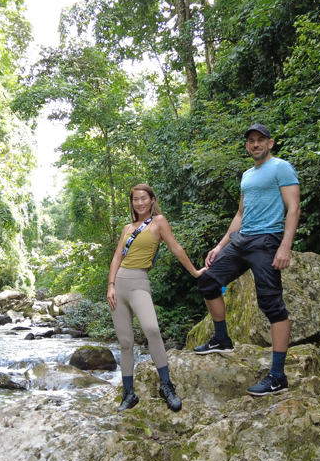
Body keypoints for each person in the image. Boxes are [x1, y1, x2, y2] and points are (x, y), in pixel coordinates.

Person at [194, 124, 301, 397]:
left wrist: (285, 246)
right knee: (207, 281)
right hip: (241, 240)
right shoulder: (246, 175)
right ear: (247, 146)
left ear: (270, 143)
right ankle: (222, 338)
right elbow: (240, 215)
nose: (255, 144)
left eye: (260, 140)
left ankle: (278, 376)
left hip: (267, 241)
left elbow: (293, 208)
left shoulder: (281, 168)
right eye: (251, 141)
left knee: (272, 306)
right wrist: (220, 246)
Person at [108, 184, 207, 413]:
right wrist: (110, 285)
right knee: (125, 342)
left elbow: (176, 248)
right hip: (119, 286)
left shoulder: (159, 222)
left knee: (152, 329)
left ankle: (166, 386)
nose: (140, 203)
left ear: (152, 200)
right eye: (135, 199)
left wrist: (194, 271)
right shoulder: (126, 228)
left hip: (139, 283)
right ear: (132, 202)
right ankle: (128, 393)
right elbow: (115, 259)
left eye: (144, 198)